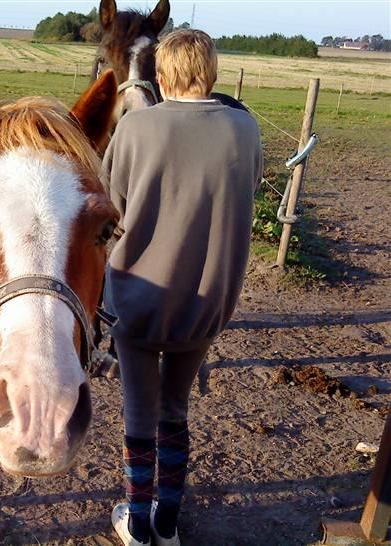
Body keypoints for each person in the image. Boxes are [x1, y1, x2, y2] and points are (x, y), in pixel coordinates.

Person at [101, 29, 263, 546]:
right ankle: (168, 518)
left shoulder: (135, 128)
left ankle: (139, 521)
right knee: (176, 409)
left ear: (160, 74)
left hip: (136, 300)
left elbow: (111, 208)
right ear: (211, 71)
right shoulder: (245, 129)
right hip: (206, 301)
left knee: (139, 413)